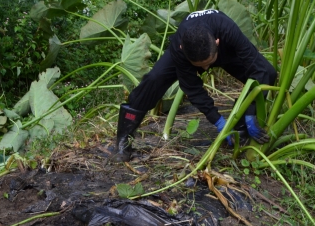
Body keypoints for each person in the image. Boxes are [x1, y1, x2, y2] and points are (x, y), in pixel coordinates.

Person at [110, 9, 277, 162]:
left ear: (217, 42)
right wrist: (218, 121)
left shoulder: (228, 31)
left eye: (208, 63)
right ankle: (124, 139)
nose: (205, 69)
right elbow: (192, 88)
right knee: (154, 79)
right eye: (200, 65)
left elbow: (260, 70)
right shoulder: (179, 46)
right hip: (191, 54)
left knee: (267, 73)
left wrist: (250, 111)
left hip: (222, 51)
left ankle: (240, 125)